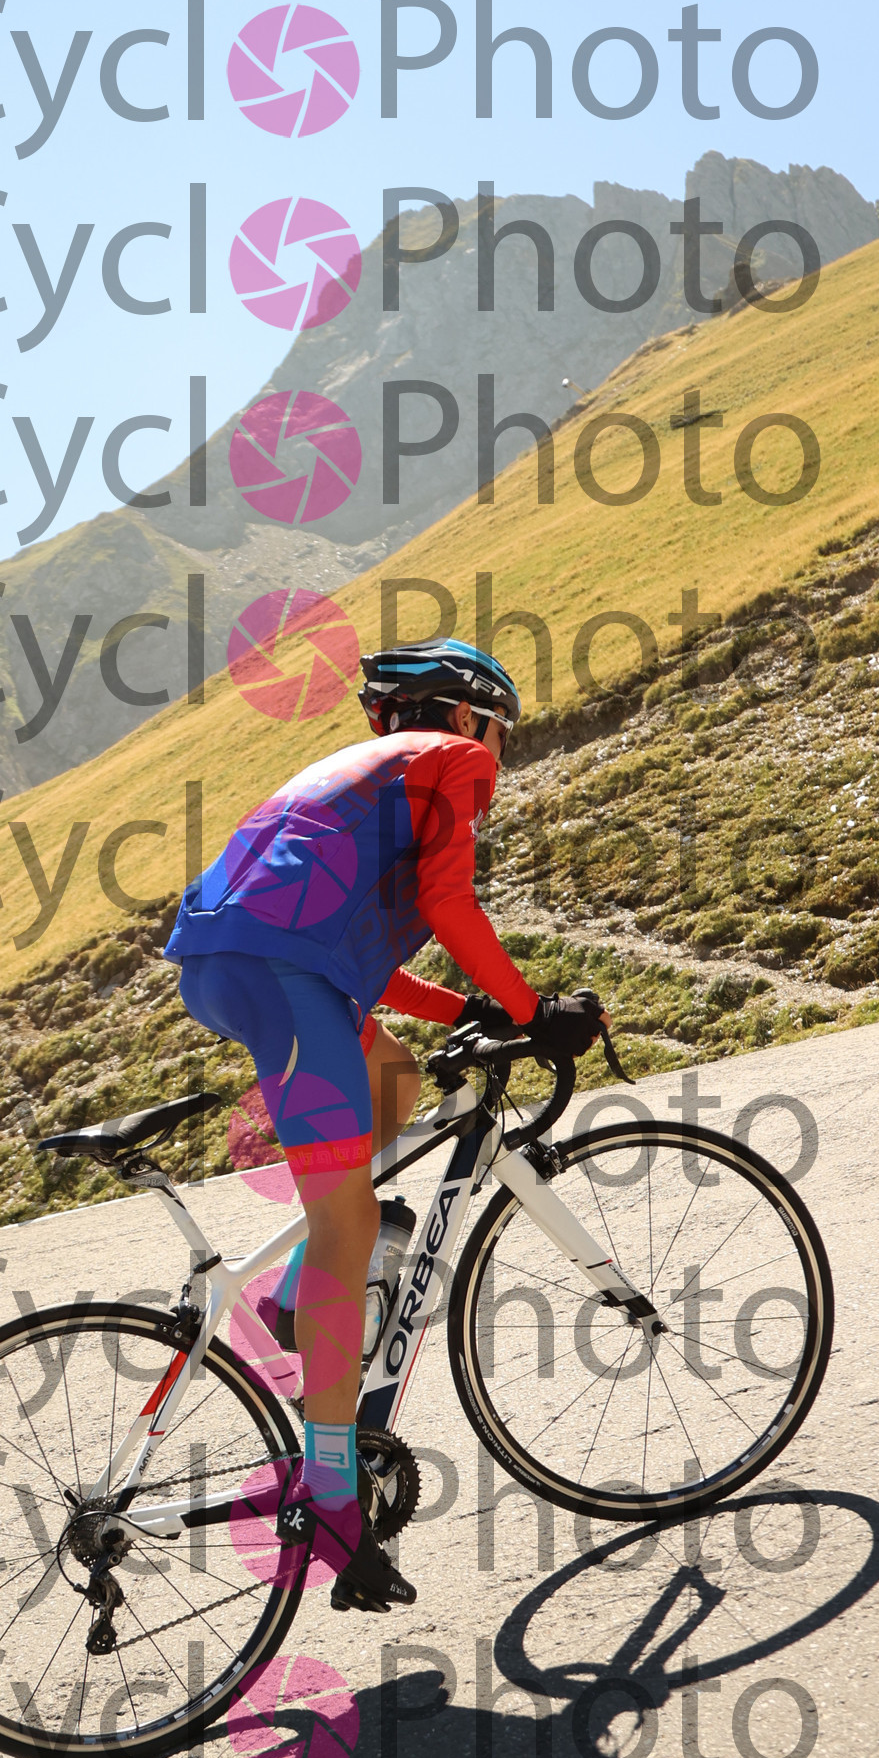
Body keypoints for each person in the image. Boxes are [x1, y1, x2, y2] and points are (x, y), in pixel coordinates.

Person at [163, 638, 603, 1612]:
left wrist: (469, 1011)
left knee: (393, 1078)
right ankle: (330, 1500)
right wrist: (531, 1012)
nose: (498, 752)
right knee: (348, 1222)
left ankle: (296, 1296)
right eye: (499, 729)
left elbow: (351, 956)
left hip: (247, 962)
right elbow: (448, 902)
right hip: (279, 970)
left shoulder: (356, 776)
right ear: (471, 715)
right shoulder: (456, 759)